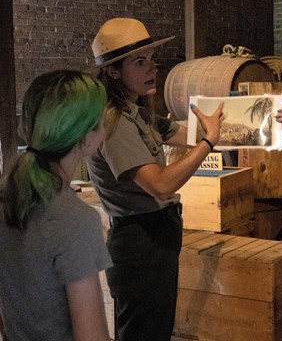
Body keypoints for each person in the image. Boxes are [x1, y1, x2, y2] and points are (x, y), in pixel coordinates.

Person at [85, 18, 225, 341]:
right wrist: (209, 143)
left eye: (151, 59)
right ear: (113, 72)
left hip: (153, 239)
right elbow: (160, 184)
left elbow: (187, 133)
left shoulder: (138, 112)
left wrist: (259, 120)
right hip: (140, 244)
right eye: (139, 62)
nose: (152, 68)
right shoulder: (115, 122)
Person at [0, 70, 111, 340]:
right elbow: (91, 336)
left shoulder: (7, 200)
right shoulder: (76, 221)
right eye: (100, 119)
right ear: (85, 137)